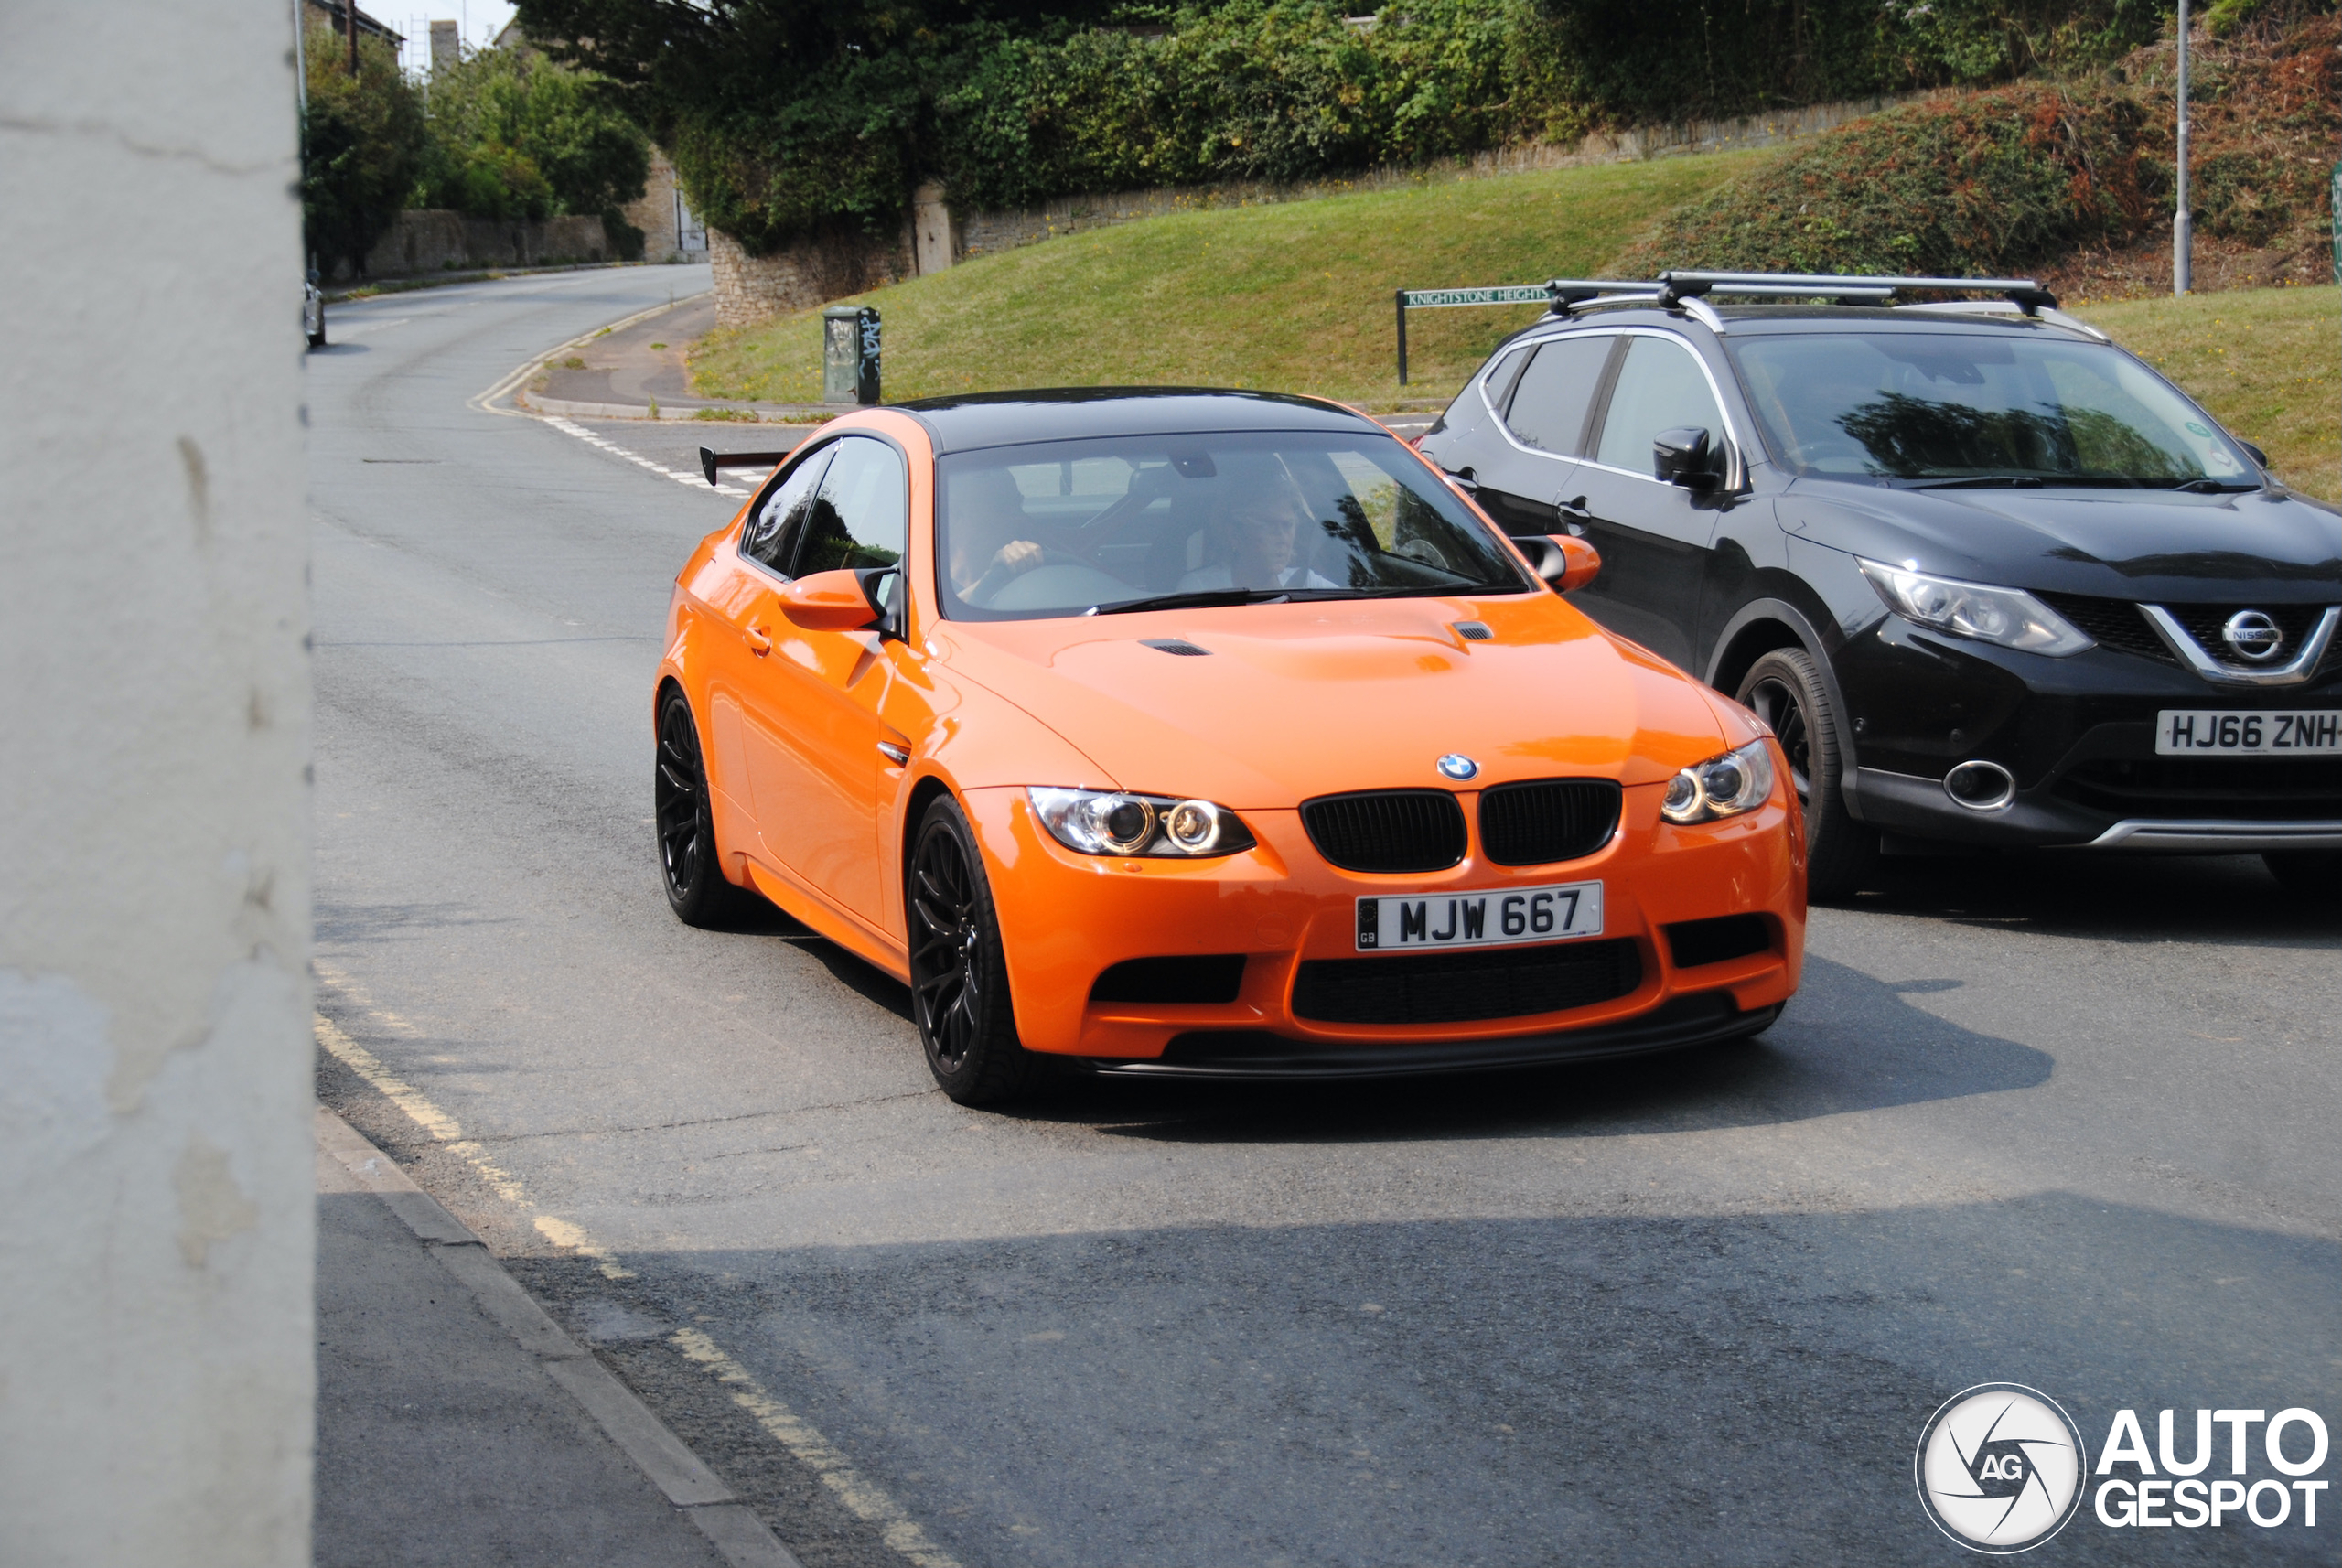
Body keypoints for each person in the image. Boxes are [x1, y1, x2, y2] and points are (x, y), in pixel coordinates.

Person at [1176, 488, 1338, 593]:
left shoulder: (1308, 583)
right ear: (1235, 535)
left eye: (1287, 526)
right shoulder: (1200, 589)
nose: (1282, 538)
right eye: (1268, 527)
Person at [946, 467, 1047, 606]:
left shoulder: (1030, 567)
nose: (1018, 517)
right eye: (1003, 507)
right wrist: (991, 578)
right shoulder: (919, 574)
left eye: (1018, 503)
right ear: (955, 516)